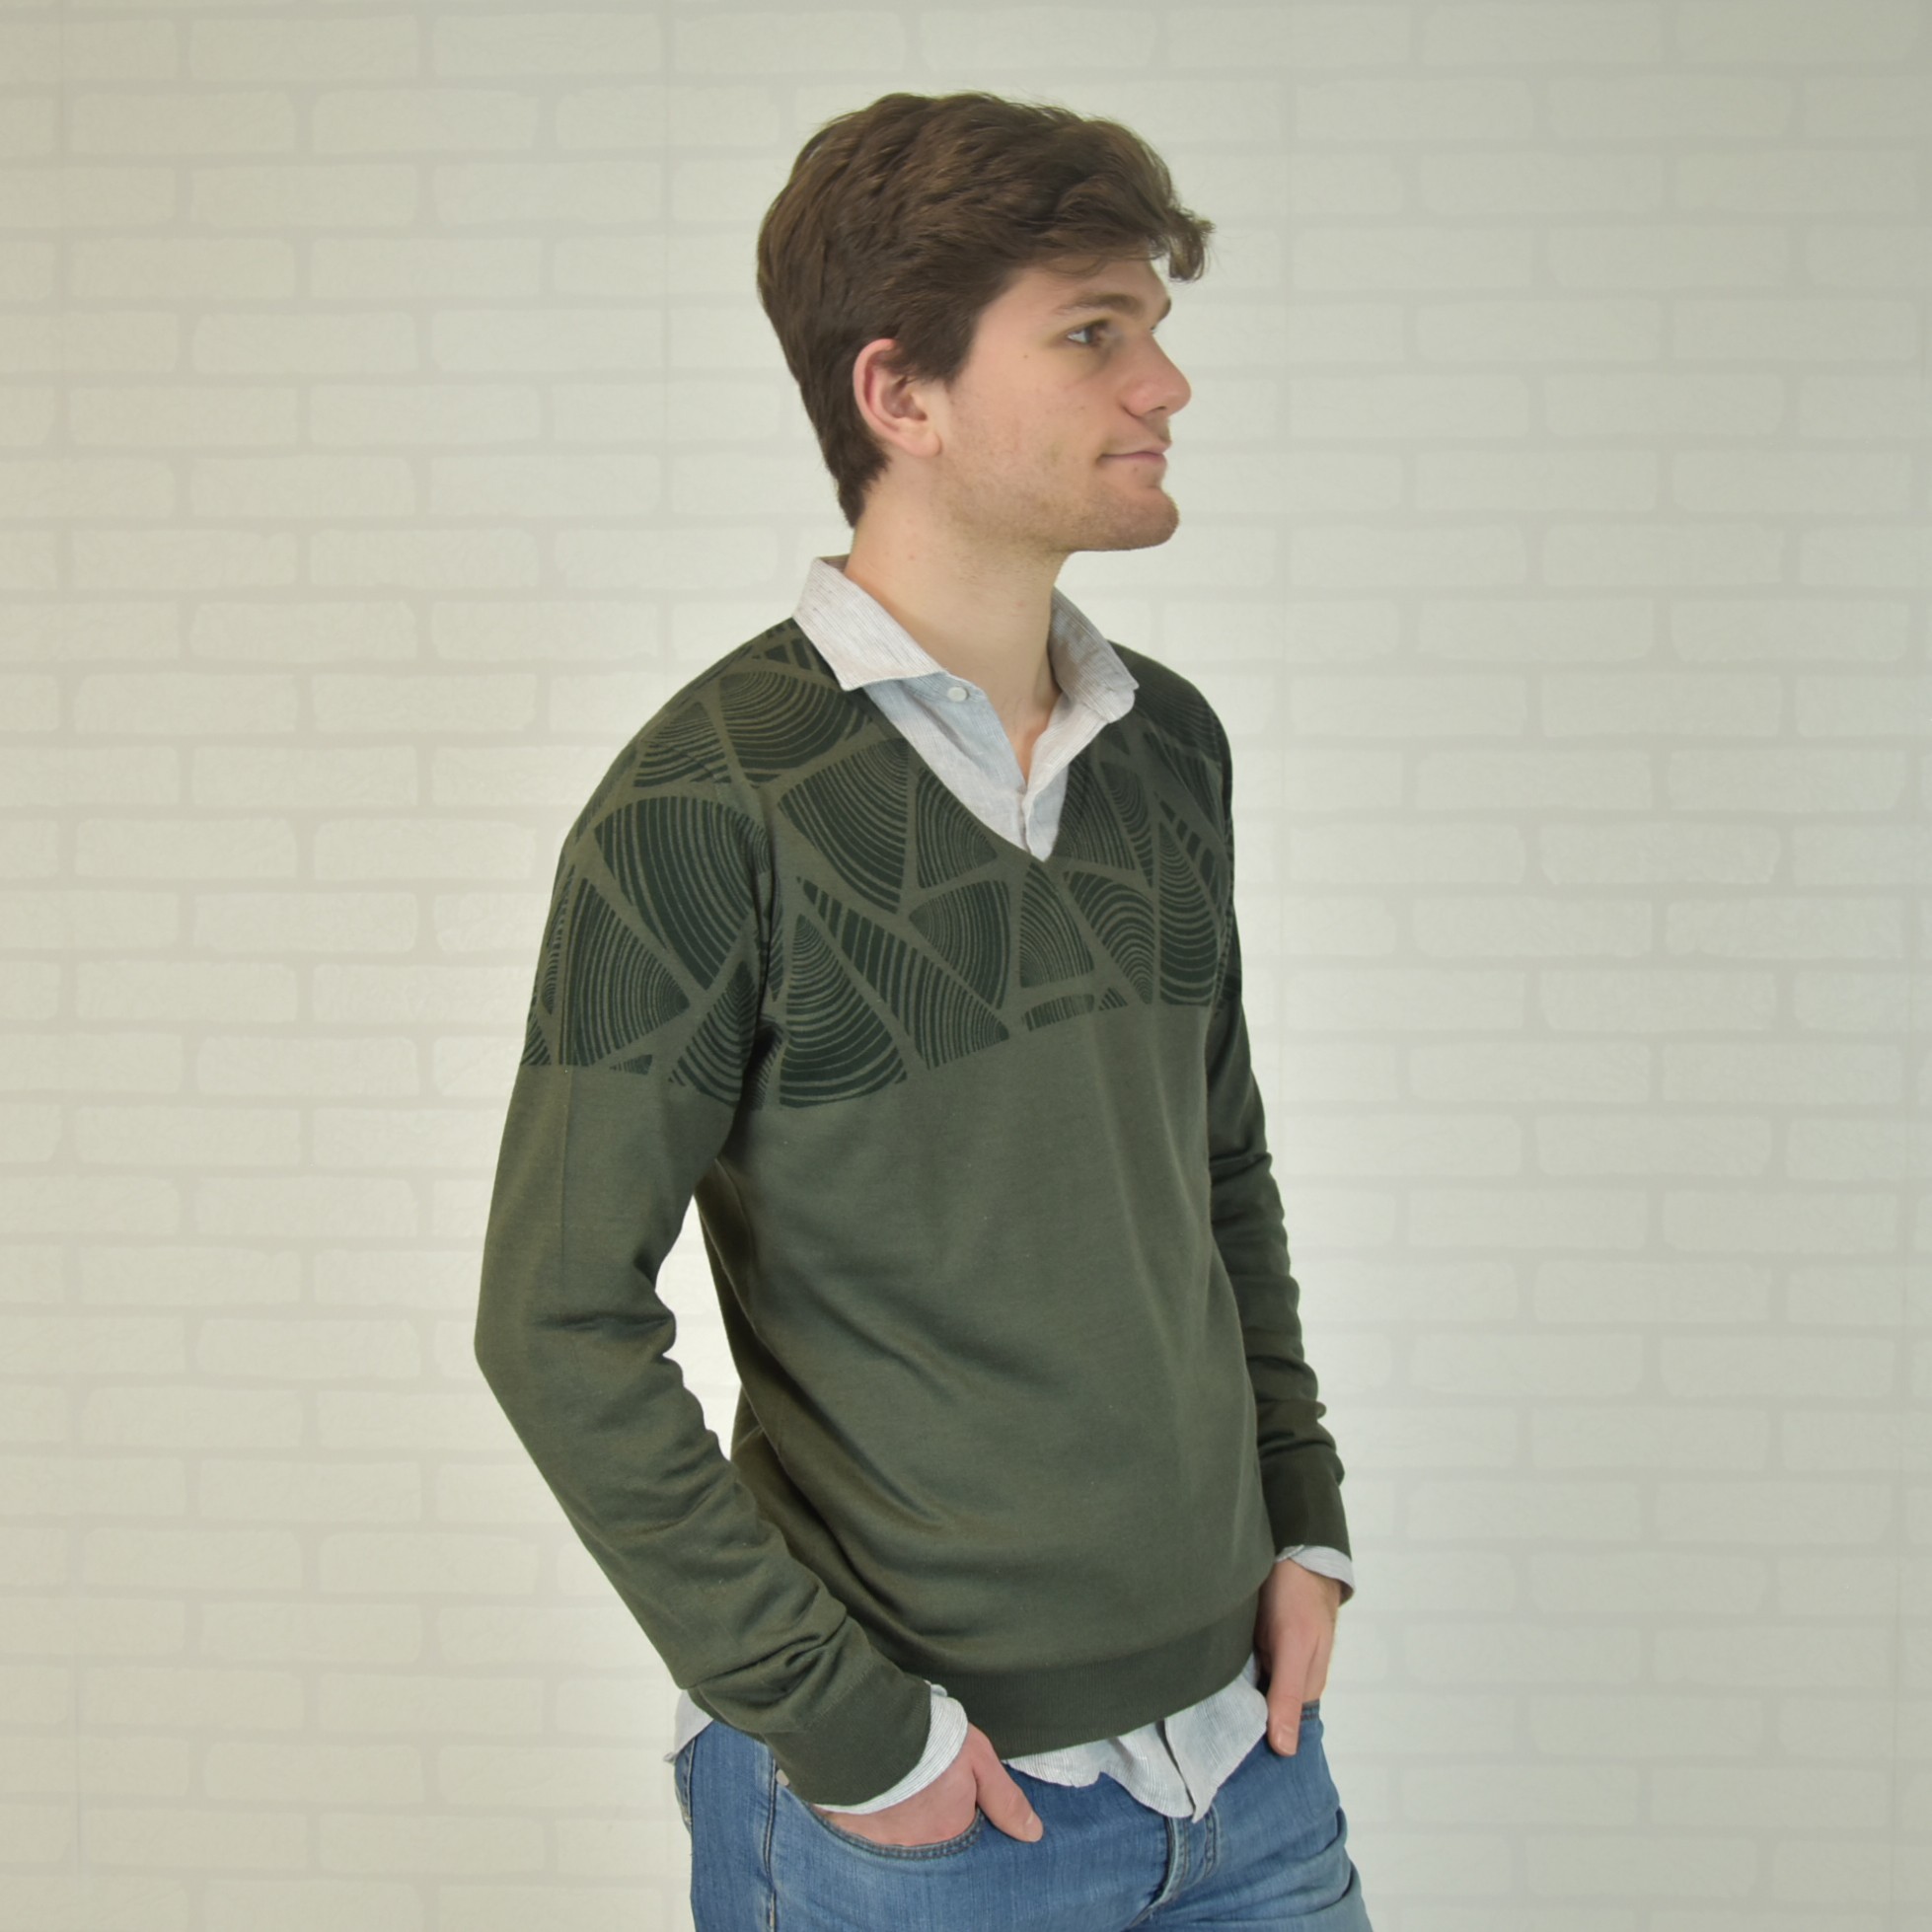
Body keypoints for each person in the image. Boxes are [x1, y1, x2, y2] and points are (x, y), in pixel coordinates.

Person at [475, 87, 1375, 1930]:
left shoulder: (1167, 749)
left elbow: (1215, 1166)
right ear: (900, 393)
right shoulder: (703, 803)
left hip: (1249, 1767)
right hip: (928, 1814)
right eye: (1091, 335)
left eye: (1153, 329)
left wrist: (1303, 1512)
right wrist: (847, 1727)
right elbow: (553, 1318)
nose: (1164, 385)